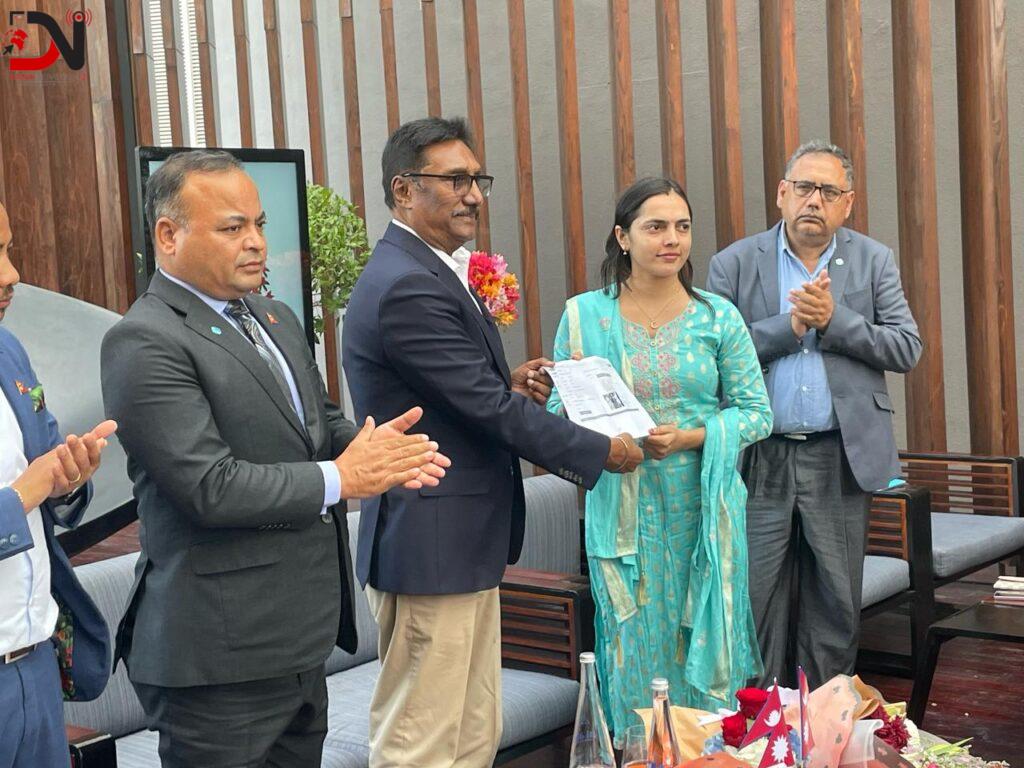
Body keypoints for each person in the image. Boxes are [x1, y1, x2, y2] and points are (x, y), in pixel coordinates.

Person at [101, 150, 450, 767]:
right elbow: (209, 487)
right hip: (218, 655)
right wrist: (342, 477)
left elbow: (319, 423)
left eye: (259, 224)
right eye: (232, 227)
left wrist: (377, 450)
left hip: (299, 638)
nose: (256, 242)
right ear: (168, 235)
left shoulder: (274, 315)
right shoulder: (144, 339)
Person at [342, 116, 643, 768]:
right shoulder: (407, 283)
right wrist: (603, 451)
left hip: (458, 542)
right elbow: (483, 408)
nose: (473, 194)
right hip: (430, 544)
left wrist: (507, 383)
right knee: (423, 744)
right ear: (403, 190)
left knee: (472, 734)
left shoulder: (426, 269)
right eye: (455, 180)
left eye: (477, 179)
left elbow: (456, 393)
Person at [547, 177, 773, 741]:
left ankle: (709, 749)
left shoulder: (717, 317)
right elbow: (557, 412)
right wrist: (608, 438)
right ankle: (638, 751)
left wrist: (692, 437)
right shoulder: (584, 317)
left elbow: (757, 414)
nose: (672, 239)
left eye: (682, 227)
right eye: (655, 227)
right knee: (631, 642)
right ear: (623, 237)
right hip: (622, 517)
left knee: (701, 638)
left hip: (701, 515)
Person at [707, 140, 922, 688]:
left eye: (828, 191)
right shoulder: (734, 262)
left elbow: (906, 348)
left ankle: (823, 716)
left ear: (847, 204)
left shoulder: (873, 259)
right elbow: (709, 358)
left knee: (835, 600)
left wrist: (835, 321)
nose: (814, 200)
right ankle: (755, 718)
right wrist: (789, 328)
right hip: (759, 456)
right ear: (782, 193)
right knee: (752, 596)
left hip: (839, 455)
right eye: (804, 187)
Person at [0, 200, 118, 768]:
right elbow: (27, 486)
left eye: (8, 250)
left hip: (36, 668)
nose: (12, 274)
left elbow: (47, 469)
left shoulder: (9, 351)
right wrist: (27, 491)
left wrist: (69, 479)